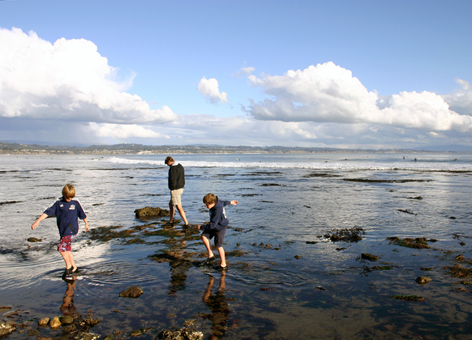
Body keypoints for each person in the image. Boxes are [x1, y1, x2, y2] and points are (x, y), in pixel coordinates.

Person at [31, 183, 89, 279]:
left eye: (71, 197)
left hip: (71, 229)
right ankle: (74, 267)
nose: (69, 199)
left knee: (61, 248)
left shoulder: (75, 203)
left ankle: (68, 267)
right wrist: (37, 221)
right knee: (67, 249)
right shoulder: (58, 203)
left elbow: (82, 214)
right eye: (67, 197)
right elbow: (47, 212)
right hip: (63, 230)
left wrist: (86, 224)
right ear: (64, 195)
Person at [197, 193, 238, 269]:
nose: (206, 206)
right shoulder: (217, 201)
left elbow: (212, 225)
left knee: (218, 246)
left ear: (213, 203)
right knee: (204, 236)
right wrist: (231, 202)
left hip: (220, 227)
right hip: (215, 224)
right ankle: (211, 255)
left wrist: (201, 227)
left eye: (207, 204)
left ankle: (223, 264)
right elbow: (224, 202)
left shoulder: (217, 210)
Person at [165, 156, 189, 226]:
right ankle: (171, 220)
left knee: (178, 206)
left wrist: (172, 189)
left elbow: (172, 179)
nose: (168, 165)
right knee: (171, 204)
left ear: (169, 161)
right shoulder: (180, 166)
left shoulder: (173, 169)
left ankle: (186, 222)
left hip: (175, 189)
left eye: (167, 164)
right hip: (181, 188)